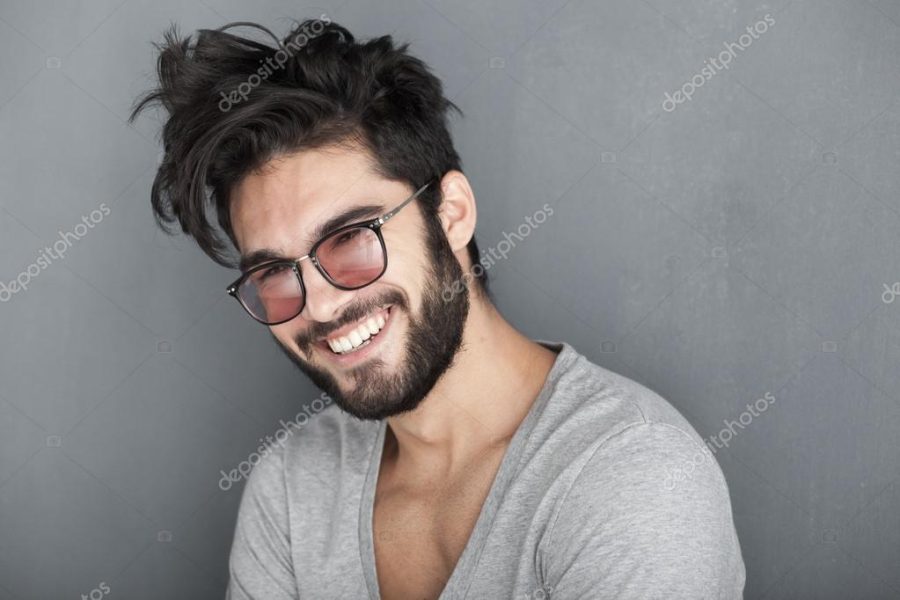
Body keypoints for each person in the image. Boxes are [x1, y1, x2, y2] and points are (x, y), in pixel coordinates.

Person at [130, 17, 746, 599]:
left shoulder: (631, 474)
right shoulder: (292, 487)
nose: (317, 303)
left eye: (348, 238)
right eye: (272, 272)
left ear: (450, 213)